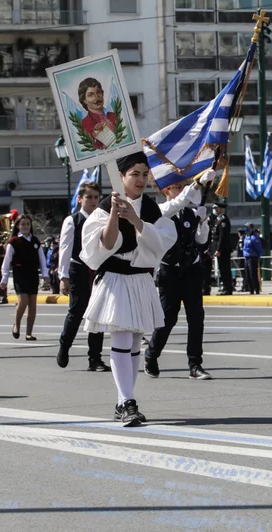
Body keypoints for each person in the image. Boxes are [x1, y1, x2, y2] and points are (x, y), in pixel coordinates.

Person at [79, 153, 177, 427]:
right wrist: (113, 212)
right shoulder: (102, 208)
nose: (142, 179)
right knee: (121, 336)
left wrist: (136, 220)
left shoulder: (151, 210)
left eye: (145, 174)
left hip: (139, 278)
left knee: (135, 340)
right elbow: (105, 245)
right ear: (120, 177)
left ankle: (123, 401)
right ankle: (129, 401)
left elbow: (159, 245)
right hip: (115, 277)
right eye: (135, 173)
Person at [145, 172, 214, 381]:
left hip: (191, 269)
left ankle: (195, 363)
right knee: (167, 318)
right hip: (170, 271)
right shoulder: (159, 212)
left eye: (184, 185)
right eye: (178, 186)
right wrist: (196, 184)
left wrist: (202, 221)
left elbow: (201, 241)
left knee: (196, 317)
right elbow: (178, 202)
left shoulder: (190, 214)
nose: (183, 189)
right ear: (167, 190)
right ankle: (152, 355)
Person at [56, 181, 109, 372]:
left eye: (96, 197)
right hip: (78, 269)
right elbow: (65, 248)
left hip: (98, 270)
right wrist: (63, 276)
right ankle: (64, 346)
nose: (93, 201)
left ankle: (95, 358)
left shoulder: (103, 219)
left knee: (98, 314)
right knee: (77, 311)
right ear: (80, 199)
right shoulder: (73, 220)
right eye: (89, 197)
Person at [0, 214, 48, 339]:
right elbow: (7, 261)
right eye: (23, 224)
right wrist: (4, 278)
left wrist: (45, 275)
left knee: (33, 304)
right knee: (23, 301)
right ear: (18, 226)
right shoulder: (13, 242)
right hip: (20, 274)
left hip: (32, 274)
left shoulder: (35, 241)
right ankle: (17, 324)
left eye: (28, 224)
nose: (25, 226)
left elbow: (42, 259)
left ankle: (29, 333)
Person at [77, 77, 119, 150]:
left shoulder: (114, 116)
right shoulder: (83, 124)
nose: (97, 98)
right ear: (84, 100)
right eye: (91, 95)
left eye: (98, 92)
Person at [211, 200, 233, 295]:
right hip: (221, 249)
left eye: (216, 208)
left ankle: (228, 289)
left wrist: (218, 249)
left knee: (225, 269)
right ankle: (226, 287)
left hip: (223, 250)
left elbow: (222, 236)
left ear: (220, 209)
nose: (215, 210)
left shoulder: (223, 219)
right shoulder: (218, 219)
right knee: (222, 269)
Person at [242, 224, 263, 294]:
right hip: (246, 257)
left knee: (253, 274)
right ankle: (251, 290)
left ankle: (256, 289)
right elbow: (244, 248)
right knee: (247, 274)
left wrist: (259, 256)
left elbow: (259, 248)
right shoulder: (246, 237)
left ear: (252, 228)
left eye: (247, 227)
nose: (246, 229)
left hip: (253, 257)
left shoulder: (254, 238)